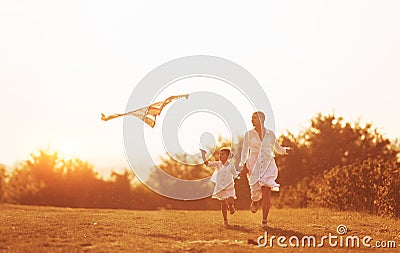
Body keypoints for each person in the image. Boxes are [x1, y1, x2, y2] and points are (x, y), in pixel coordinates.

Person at [239, 111, 291, 228]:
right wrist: (243, 165)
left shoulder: (270, 134)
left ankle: (264, 221)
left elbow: (277, 148)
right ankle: (255, 200)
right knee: (255, 189)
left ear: (262, 120)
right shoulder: (249, 134)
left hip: (268, 163)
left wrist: (286, 150)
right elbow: (244, 151)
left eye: (254, 118)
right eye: (251, 118)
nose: (252, 120)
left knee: (266, 190)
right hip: (254, 163)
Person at [200, 147, 240, 226]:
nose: (220, 156)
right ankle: (225, 220)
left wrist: (237, 176)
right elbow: (207, 164)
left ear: (228, 156)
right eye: (219, 154)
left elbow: (234, 174)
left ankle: (231, 206)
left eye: (222, 154)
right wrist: (203, 155)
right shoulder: (218, 164)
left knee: (230, 201)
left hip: (229, 187)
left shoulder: (231, 165)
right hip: (220, 188)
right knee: (223, 204)